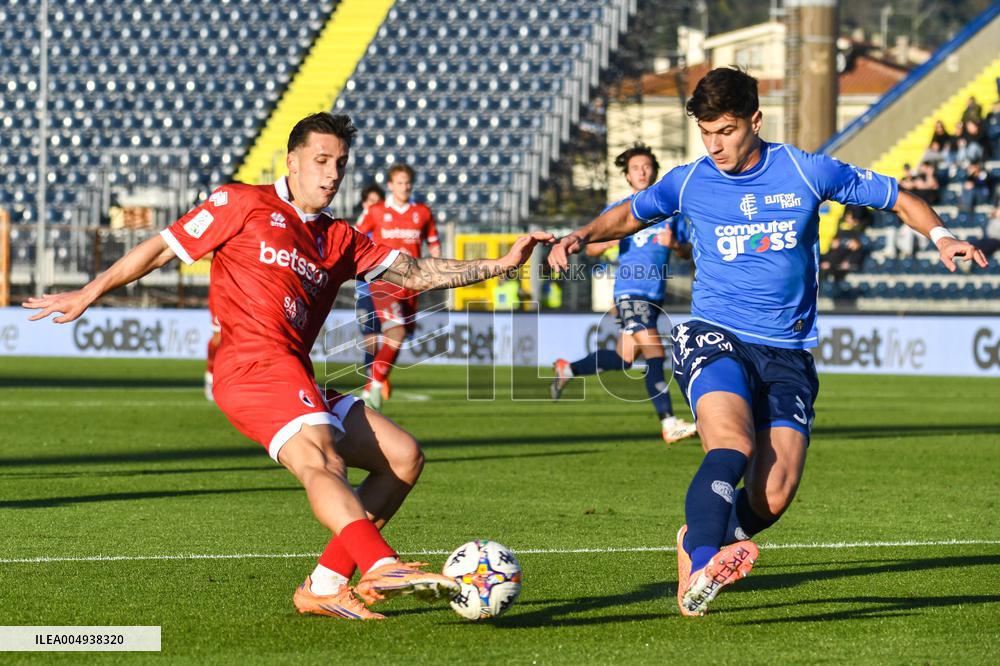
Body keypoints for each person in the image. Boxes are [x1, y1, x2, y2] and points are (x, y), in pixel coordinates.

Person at [24, 112, 552, 621]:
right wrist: (89, 292)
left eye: (340, 163)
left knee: (402, 457)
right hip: (249, 366)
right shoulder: (241, 202)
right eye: (321, 160)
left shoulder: (341, 238)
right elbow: (161, 250)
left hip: (292, 373)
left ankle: (323, 587)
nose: (331, 174)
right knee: (322, 459)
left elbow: (414, 272)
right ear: (292, 161)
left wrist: (499, 265)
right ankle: (379, 563)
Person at [548, 67, 988, 617]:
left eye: (726, 131)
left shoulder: (806, 171)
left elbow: (898, 197)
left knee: (774, 492)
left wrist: (943, 237)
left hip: (788, 352)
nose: (715, 145)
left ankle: (700, 537)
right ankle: (707, 559)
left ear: (755, 120)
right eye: (706, 133)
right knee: (732, 444)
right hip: (714, 334)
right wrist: (581, 234)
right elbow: (631, 214)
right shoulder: (689, 180)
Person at [551, 143, 698, 445]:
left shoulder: (670, 212)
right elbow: (590, 245)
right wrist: (604, 243)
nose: (642, 172)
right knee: (656, 352)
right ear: (628, 176)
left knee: (623, 358)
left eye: (646, 167)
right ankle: (669, 423)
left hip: (654, 295)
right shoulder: (620, 211)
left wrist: (675, 245)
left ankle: (569, 368)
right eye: (635, 168)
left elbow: (686, 253)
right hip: (631, 292)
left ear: (655, 171)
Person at [356, 163, 441, 411]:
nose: (404, 187)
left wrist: (435, 270)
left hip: (412, 284)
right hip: (383, 281)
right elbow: (357, 237)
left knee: (400, 337)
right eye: (399, 182)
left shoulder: (422, 212)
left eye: (408, 183)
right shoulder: (376, 212)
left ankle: (374, 385)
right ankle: (374, 387)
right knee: (397, 333)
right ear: (390, 185)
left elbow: (434, 244)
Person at [352, 183, 387, 397]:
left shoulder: (385, 229)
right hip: (365, 291)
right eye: (370, 201)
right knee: (370, 339)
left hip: (386, 292)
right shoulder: (359, 229)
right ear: (364, 203)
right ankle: (371, 376)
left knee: (389, 337)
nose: (373, 205)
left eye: (377, 201)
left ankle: (379, 377)